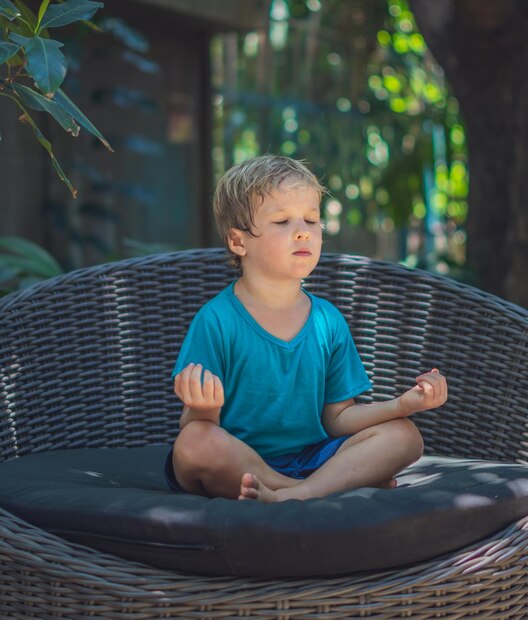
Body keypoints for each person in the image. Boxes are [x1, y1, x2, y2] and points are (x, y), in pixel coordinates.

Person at [166, 155, 448, 503]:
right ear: (238, 242)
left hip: (314, 460)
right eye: (282, 220)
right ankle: (311, 490)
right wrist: (203, 407)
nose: (302, 230)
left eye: (312, 220)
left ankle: (293, 495)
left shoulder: (327, 321)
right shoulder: (216, 320)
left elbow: (338, 419)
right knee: (194, 443)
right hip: (240, 461)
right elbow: (196, 425)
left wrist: (402, 405)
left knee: (405, 436)